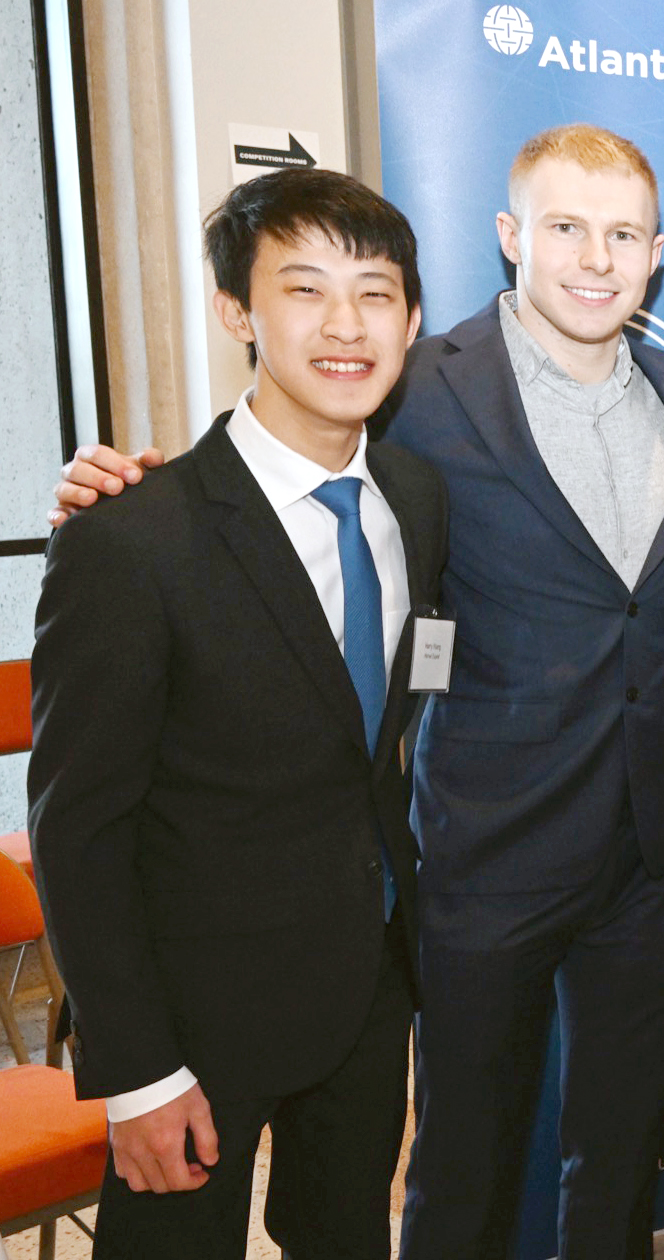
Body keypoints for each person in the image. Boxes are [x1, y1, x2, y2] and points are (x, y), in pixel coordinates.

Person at [28, 167, 442, 1258]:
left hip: (365, 976)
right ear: (238, 312)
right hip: (195, 1013)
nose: (346, 325)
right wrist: (134, 1073)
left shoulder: (416, 497)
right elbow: (78, 826)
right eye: (304, 290)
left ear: (411, 316)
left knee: (343, 1236)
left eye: (377, 292)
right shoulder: (134, 534)